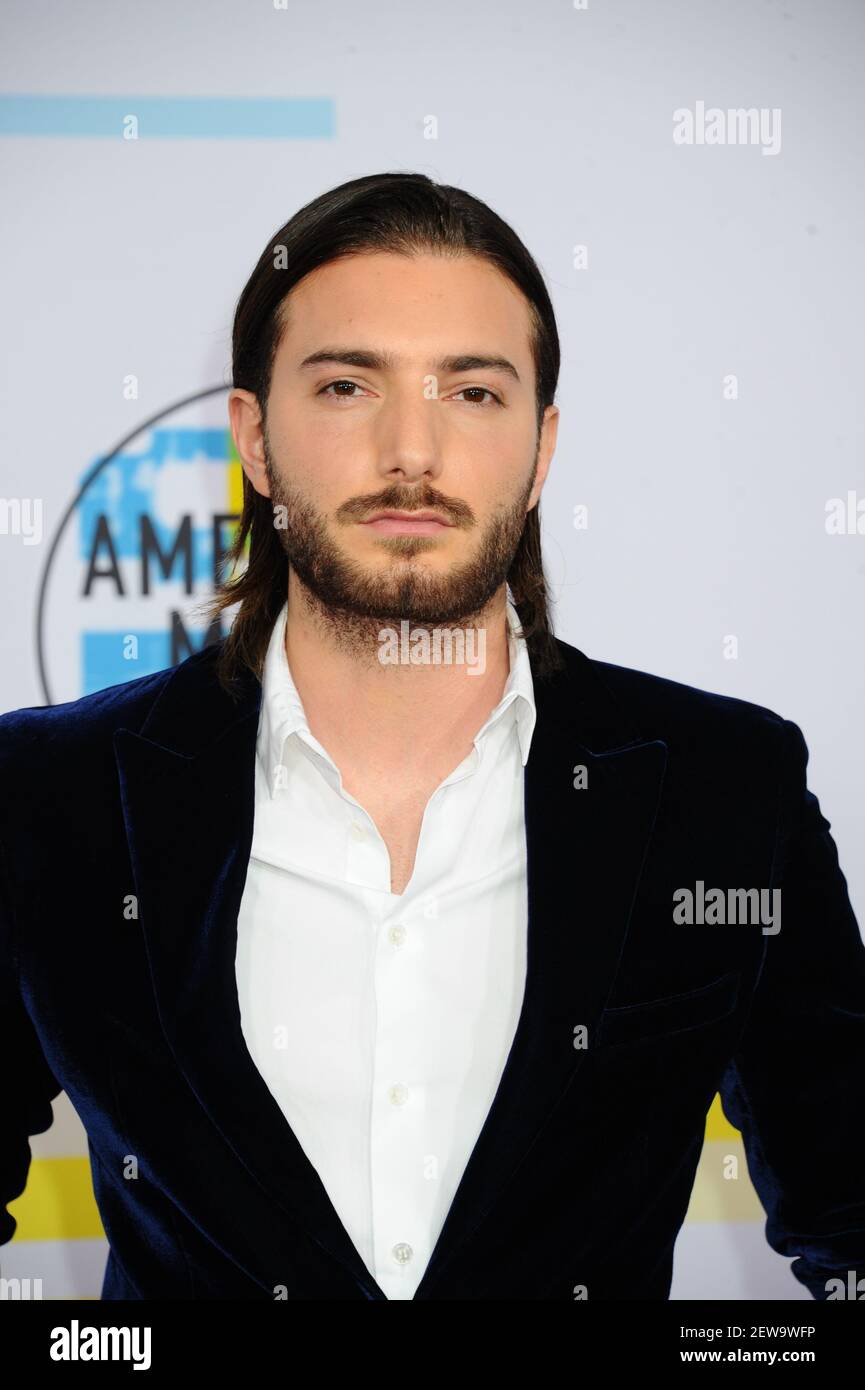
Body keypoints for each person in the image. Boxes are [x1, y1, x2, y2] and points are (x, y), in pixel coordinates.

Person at [2, 172, 864, 1301]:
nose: (411, 449)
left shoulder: (724, 789)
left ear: (542, 449)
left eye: (471, 392)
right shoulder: (49, 794)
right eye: (349, 384)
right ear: (256, 441)